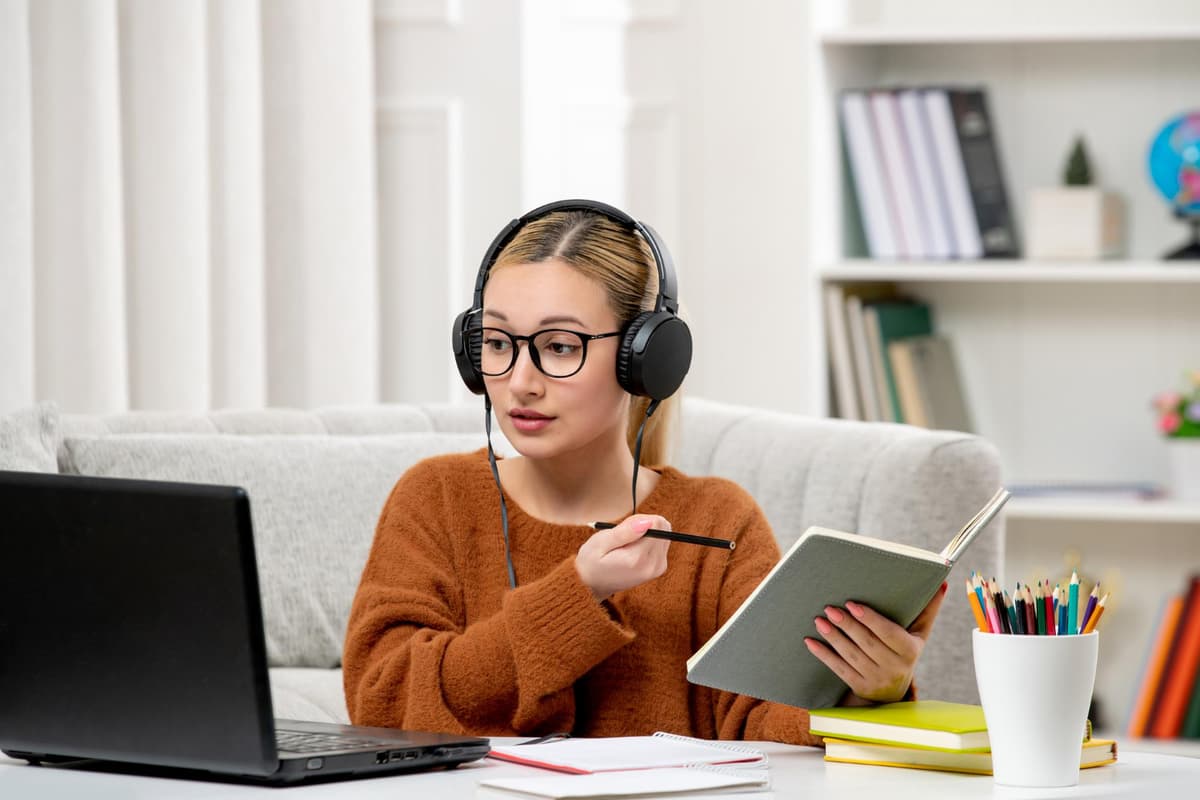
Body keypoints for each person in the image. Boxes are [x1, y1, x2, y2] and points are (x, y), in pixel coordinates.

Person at [342, 200, 946, 744]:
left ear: (645, 359)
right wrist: (577, 593)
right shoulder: (437, 497)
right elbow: (382, 700)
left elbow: (760, 725)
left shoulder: (717, 521)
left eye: (558, 346)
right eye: (498, 342)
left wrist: (869, 692)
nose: (520, 381)